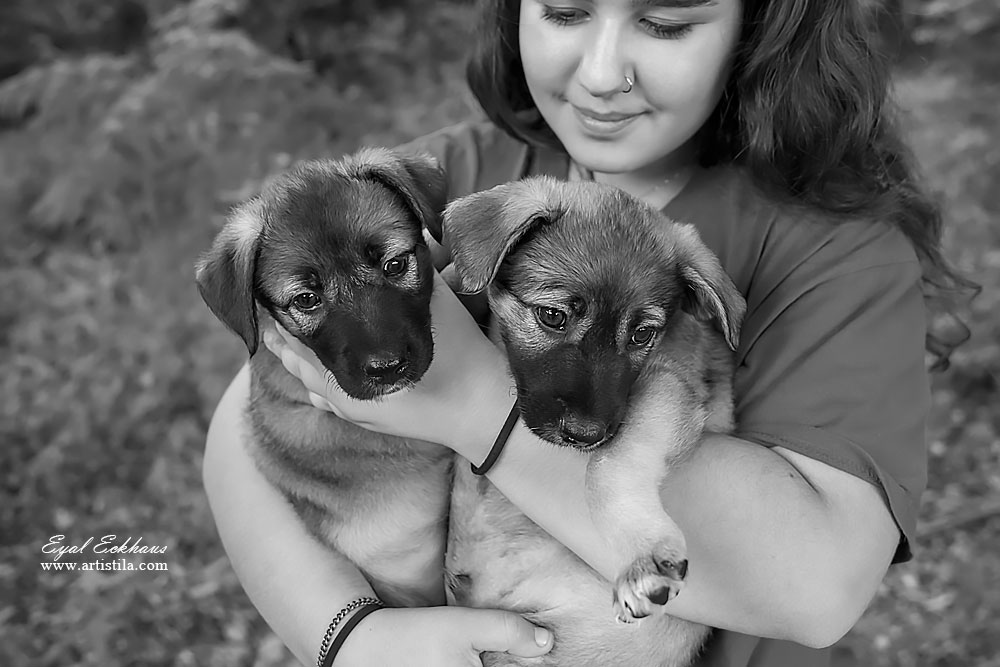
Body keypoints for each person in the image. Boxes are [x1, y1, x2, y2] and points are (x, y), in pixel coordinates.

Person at [203, 0, 973, 665]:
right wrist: (349, 637)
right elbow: (252, 424)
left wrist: (476, 402)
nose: (603, 72)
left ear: (759, 23)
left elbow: (818, 586)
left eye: (665, 22)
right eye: (566, 12)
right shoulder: (461, 171)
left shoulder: (837, 253)